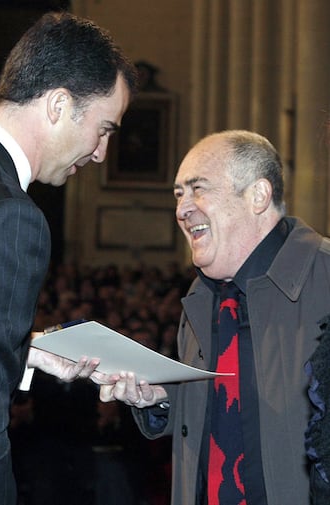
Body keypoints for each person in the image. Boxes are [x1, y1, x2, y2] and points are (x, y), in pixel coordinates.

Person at [0, 11, 137, 505]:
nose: (101, 153)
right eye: (104, 129)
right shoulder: (6, 214)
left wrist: (24, 350)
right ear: (59, 104)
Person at [100, 130, 330, 505]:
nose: (182, 209)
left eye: (198, 189)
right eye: (178, 195)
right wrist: (161, 398)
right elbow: (228, 410)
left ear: (257, 196)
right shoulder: (202, 297)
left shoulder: (324, 279)